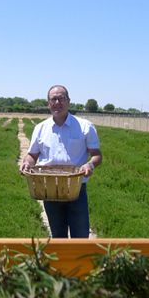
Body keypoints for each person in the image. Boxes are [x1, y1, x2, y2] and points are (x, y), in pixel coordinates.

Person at [19, 85, 102, 238]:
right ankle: (60, 262)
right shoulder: (40, 128)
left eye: (61, 98)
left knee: (80, 236)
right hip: (50, 189)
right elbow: (32, 155)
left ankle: (78, 262)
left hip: (76, 189)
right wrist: (26, 163)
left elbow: (97, 155)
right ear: (48, 103)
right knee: (58, 237)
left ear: (68, 101)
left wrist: (90, 164)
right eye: (53, 99)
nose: (57, 102)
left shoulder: (84, 126)